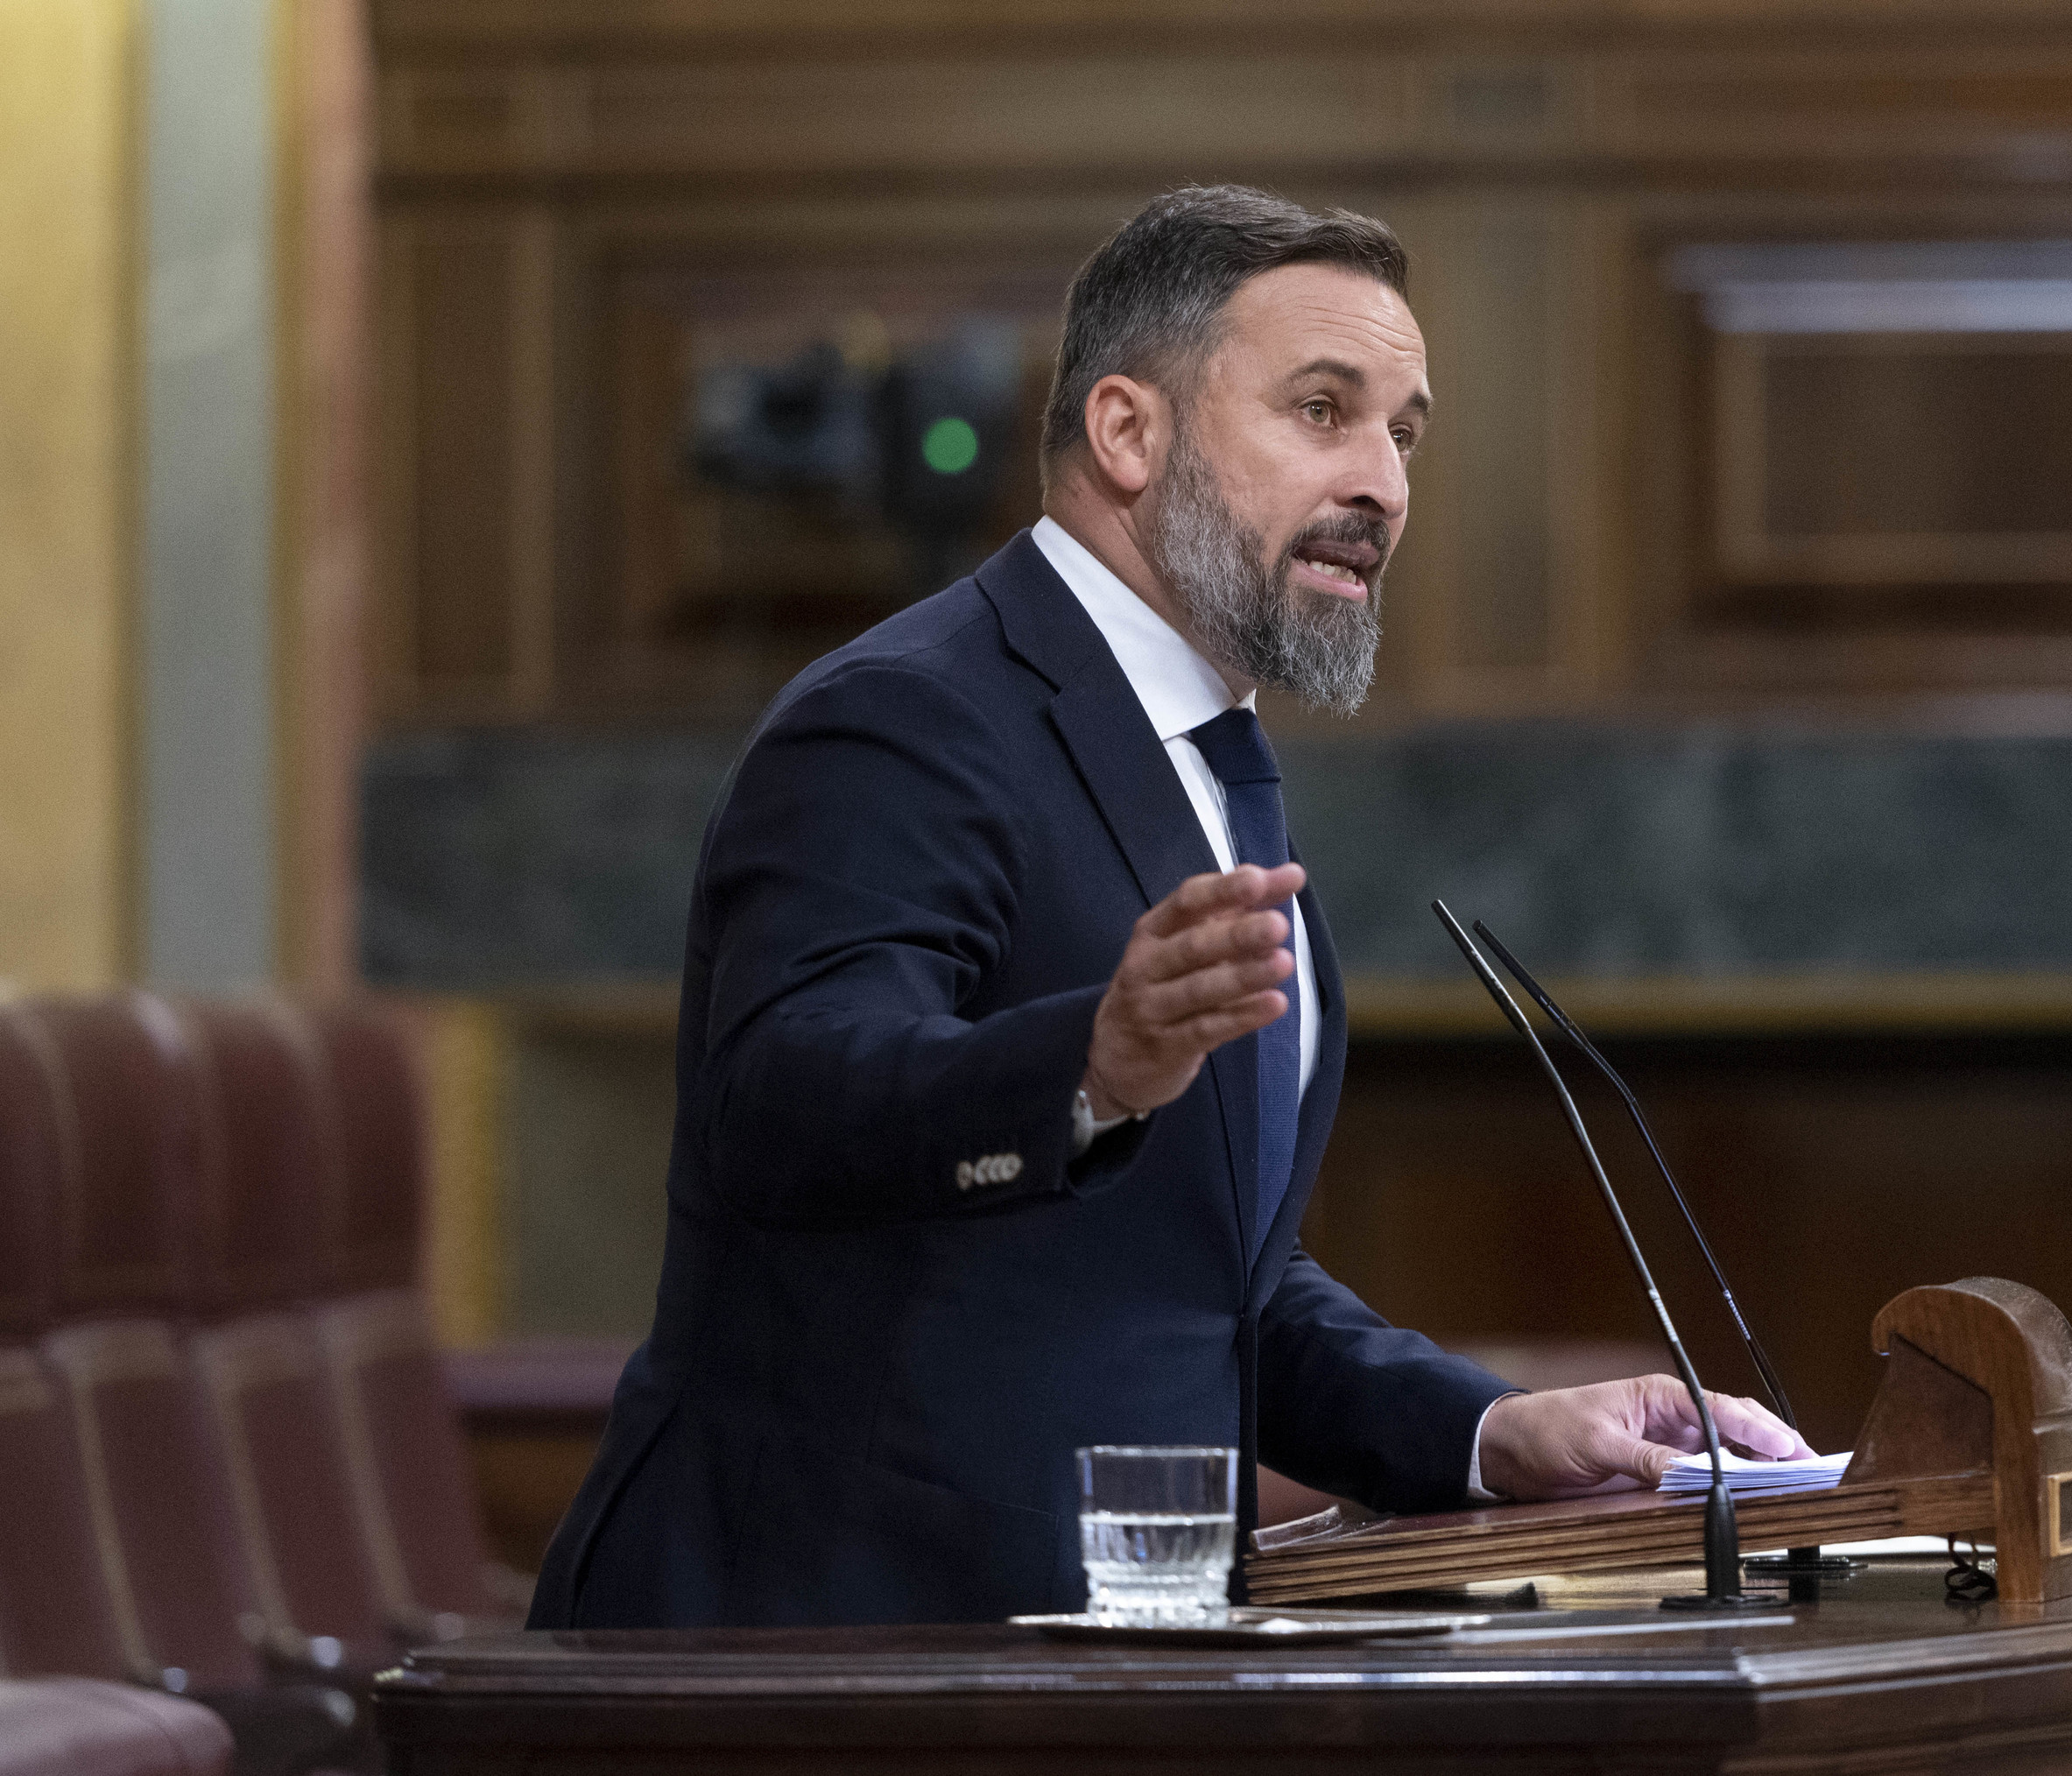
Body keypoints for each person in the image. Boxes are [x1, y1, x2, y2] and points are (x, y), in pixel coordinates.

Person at [529, 185, 1806, 1629]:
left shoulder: (1205, 759)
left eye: (1403, 433)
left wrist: (1486, 1433)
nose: (1383, 484)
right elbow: (786, 1100)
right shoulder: (905, 718)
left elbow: (1202, 1292)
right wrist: (1086, 1071)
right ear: (1128, 433)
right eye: (1322, 410)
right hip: (828, 1651)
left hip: (1105, 1655)